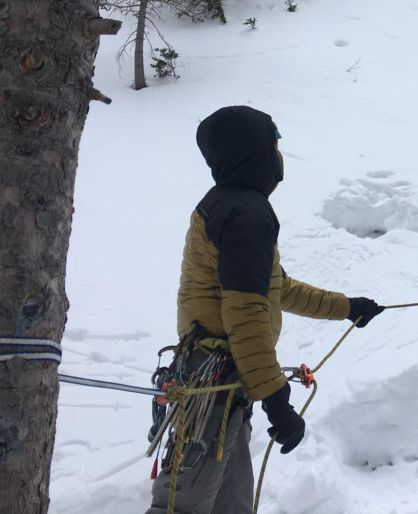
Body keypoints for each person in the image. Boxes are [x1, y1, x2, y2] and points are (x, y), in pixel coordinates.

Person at [145, 105, 384, 514]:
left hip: (217, 376)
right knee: (182, 506)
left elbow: (277, 290)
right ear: (255, 153)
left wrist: (348, 308)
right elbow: (247, 319)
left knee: (230, 504)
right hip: (213, 382)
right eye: (275, 143)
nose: (279, 154)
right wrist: (276, 399)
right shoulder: (245, 216)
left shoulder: (227, 205)